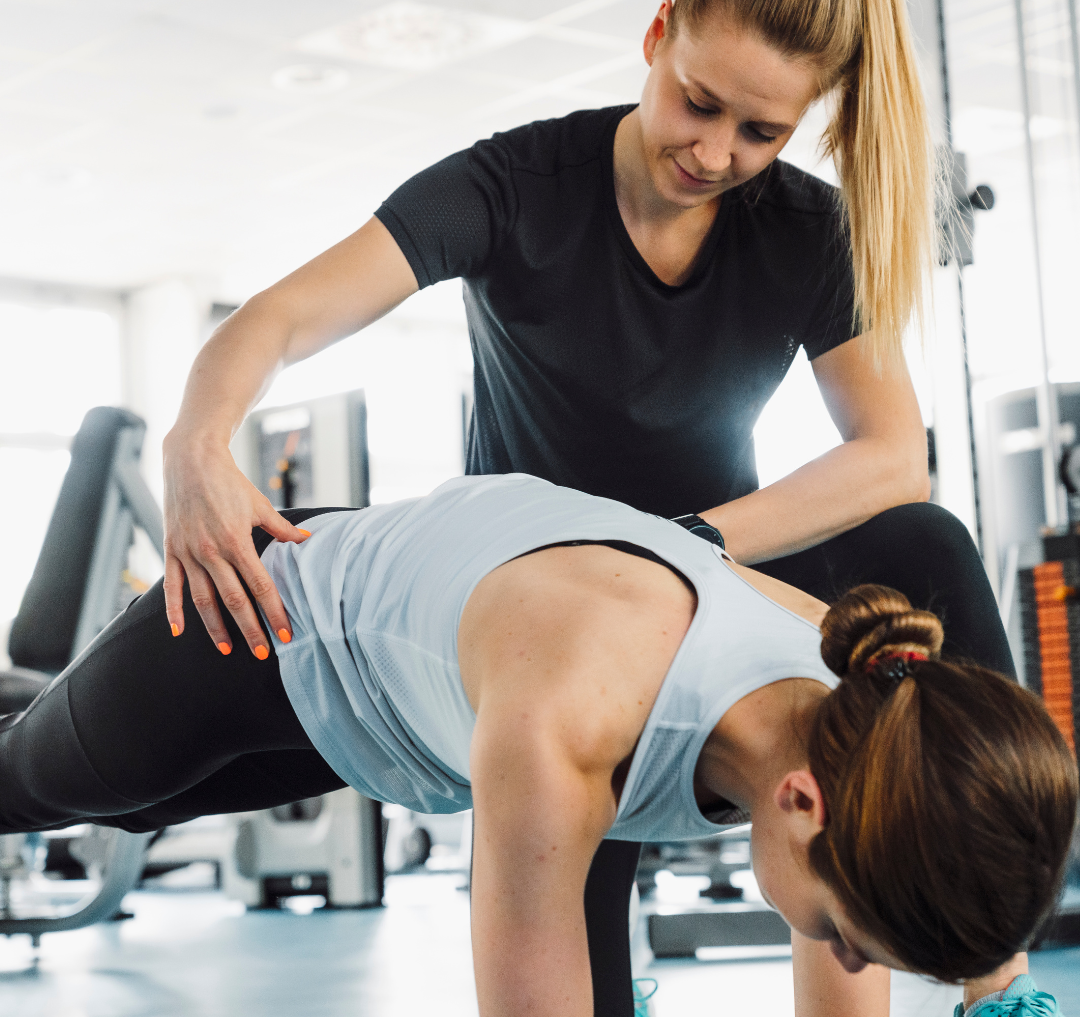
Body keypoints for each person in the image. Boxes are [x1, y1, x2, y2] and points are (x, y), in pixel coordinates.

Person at [160, 0, 1017, 1014]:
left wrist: (690, 543)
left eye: (762, 132)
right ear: (657, 36)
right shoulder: (514, 185)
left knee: (920, 542)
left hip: (713, 567)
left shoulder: (806, 231)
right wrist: (195, 442)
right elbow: (278, 318)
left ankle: (998, 966)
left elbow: (893, 454)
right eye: (698, 104)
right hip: (554, 623)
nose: (714, 153)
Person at [1, 476, 1075, 1017]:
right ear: (802, 804)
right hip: (262, 625)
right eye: (846, 934)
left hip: (399, 722)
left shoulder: (854, 714)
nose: (842, 961)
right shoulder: (577, 717)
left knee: (144, 815)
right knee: (37, 786)